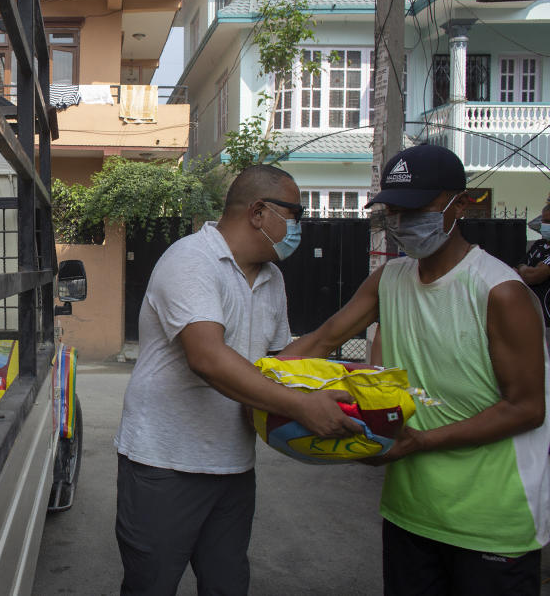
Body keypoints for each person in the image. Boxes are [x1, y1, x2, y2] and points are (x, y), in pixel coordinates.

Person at [284, 144, 550, 595]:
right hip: (409, 511)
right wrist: (262, 384)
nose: (403, 223)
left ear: (460, 204)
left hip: (491, 518)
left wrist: (418, 442)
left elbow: (526, 408)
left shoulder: (500, 291)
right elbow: (324, 339)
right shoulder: (389, 279)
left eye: (416, 209)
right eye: (393, 211)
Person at [113, 165, 362, 596]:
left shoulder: (271, 278)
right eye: (295, 214)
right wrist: (301, 406)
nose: (299, 226)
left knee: (228, 583)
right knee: (150, 586)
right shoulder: (191, 260)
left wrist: (326, 348)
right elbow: (207, 358)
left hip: (233, 465)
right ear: (259, 212)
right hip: (165, 463)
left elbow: (271, 367)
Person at [517, 204, 550, 343]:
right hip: (531, 316)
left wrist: (525, 270)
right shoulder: (538, 245)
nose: (545, 225)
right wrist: (525, 269)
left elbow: (535, 276)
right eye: (544, 221)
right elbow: (516, 268)